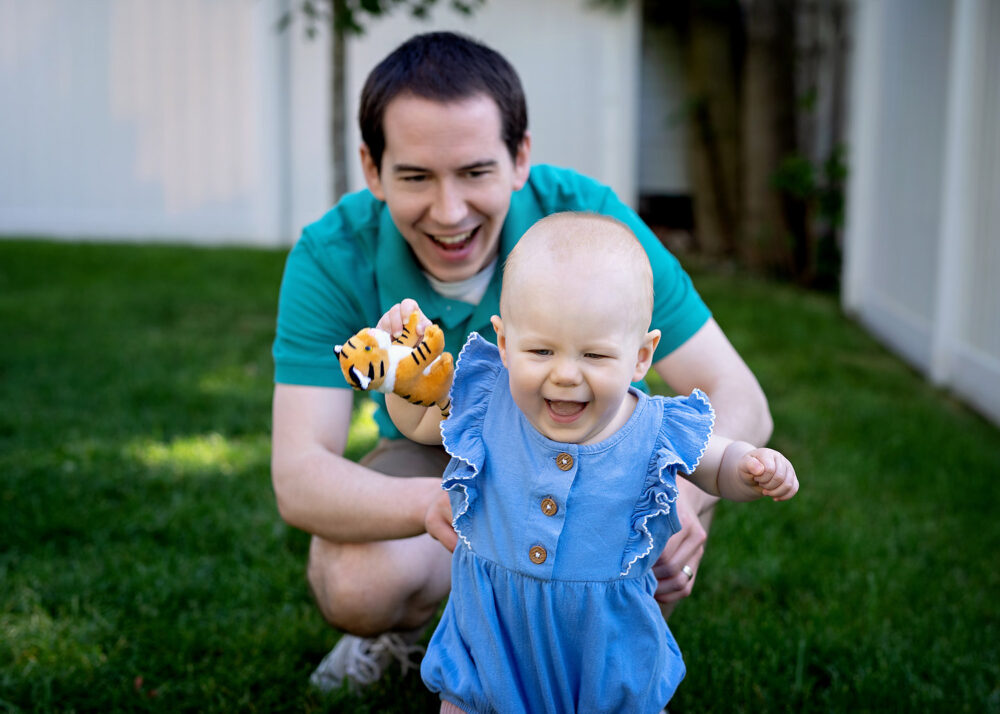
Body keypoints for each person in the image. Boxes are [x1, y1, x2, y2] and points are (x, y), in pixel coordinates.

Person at [270, 31, 773, 692]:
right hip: (439, 455)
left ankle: (595, 654)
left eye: (475, 172)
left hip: (601, 462)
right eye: (416, 176)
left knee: (642, 533)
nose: (450, 213)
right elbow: (299, 475)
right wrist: (457, 506)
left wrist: (679, 494)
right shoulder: (330, 254)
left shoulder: (591, 225)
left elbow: (739, 396)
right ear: (372, 170)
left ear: (519, 158)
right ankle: (443, 634)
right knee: (356, 584)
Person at [380, 212, 798, 714]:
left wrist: (749, 467)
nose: (564, 375)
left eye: (595, 356)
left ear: (641, 357)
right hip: (492, 640)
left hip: (606, 651)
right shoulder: (488, 400)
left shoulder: (657, 428)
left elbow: (716, 462)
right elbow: (420, 423)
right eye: (540, 350)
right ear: (506, 344)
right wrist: (402, 381)